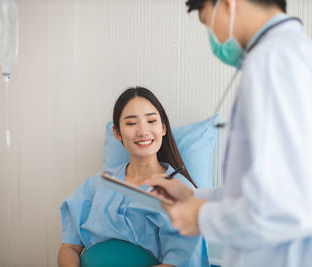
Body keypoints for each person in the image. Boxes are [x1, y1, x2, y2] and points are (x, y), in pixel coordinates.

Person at [147, 0, 312, 266]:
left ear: (228, 5)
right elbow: (275, 186)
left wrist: (201, 217)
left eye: (207, 22)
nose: (213, 38)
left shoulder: (273, 63)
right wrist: (194, 196)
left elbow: (292, 205)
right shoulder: (305, 58)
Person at [58, 87, 210, 267]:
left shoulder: (181, 192)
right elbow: (68, 247)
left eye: (151, 121)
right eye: (131, 124)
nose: (143, 131)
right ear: (117, 132)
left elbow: (179, 262)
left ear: (163, 128)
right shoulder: (95, 185)